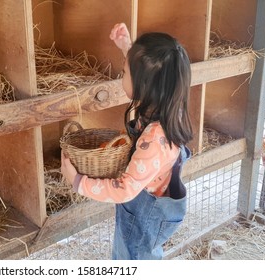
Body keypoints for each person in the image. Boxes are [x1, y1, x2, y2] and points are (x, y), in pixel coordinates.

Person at [61, 23, 193, 260]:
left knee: (131, 259)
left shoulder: (155, 138)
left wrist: (78, 181)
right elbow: (149, 74)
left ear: (145, 83)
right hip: (149, 210)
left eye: (124, 72)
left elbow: (124, 190)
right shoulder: (170, 106)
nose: (122, 75)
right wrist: (127, 48)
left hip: (143, 218)